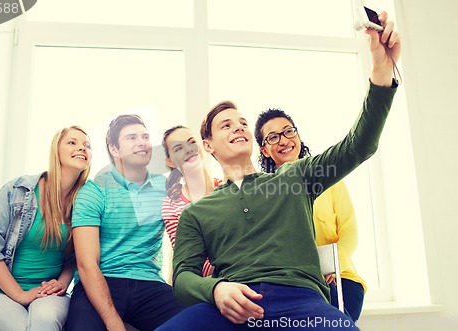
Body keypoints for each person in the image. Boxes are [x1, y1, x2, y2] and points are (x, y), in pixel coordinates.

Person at [156, 11, 400, 331]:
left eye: (242, 123)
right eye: (226, 125)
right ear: (209, 145)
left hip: (304, 304)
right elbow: (183, 278)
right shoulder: (197, 214)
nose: (238, 127)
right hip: (234, 306)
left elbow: (358, 146)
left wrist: (381, 70)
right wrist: (216, 289)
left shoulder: (294, 177)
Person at [65, 115, 185, 331]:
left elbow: (185, 236)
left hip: (150, 284)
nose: (142, 142)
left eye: (145, 137)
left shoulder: (166, 186)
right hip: (101, 280)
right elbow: (86, 263)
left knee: (198, 322)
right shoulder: (94, 191)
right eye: (132, 138)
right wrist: (114, 324)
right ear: (115, 149)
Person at [0, 126, 92, 331]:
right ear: (56, 150)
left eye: (87, 145)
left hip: (49, 295)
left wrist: (62, 283)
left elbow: (75, 258)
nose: (82, 148)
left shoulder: (86, 202)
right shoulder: (18, 191)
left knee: (44, 322)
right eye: (72, 142)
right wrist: (20, 295)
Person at [254, 108, 367, 321]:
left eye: (288, 131)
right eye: (273, 137)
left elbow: (349, 231)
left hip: (340, 279)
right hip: (295, 284)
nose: (284, 140)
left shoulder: (332, 179)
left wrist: (334, 267)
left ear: (298, 136)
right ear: (265, 150)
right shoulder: (263, 192)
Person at [161, 125, 221, 280]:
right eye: (178, 148)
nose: (188, 150)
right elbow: (188, 258)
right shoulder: (171, 205)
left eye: (191, 142)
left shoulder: (226, 188)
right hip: (206, 285)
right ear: (170, 162)